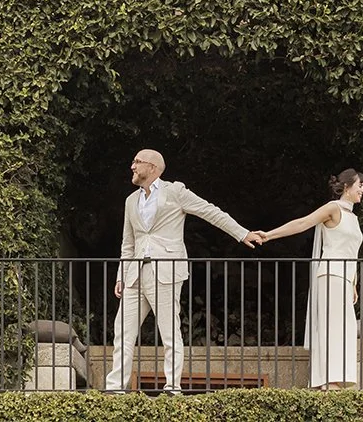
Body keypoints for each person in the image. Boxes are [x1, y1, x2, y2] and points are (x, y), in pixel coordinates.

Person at [103, 149, 265, 394]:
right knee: (122, 332)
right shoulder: (130, 201)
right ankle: (115, 388)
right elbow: (128, 243)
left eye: (137, 162)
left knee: (169, 332)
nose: (132, 166)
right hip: (135, 274)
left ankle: (172, 386)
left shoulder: (175, 192)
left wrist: (242, 234)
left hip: (166, 271)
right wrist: (121, 275)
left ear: (153, 167)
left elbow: (210, 211)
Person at [258, 169, 363, 389]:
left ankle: (335, 379)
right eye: (360, 185)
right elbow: (302, 223)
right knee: (331, 328)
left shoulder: (354, 218)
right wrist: (269, 235)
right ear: (346, 187)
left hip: (345, 279)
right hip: (330, 275)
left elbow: (352, 252)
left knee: (343, 328)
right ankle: (326, 380)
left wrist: (354, 283)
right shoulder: (333, 208)